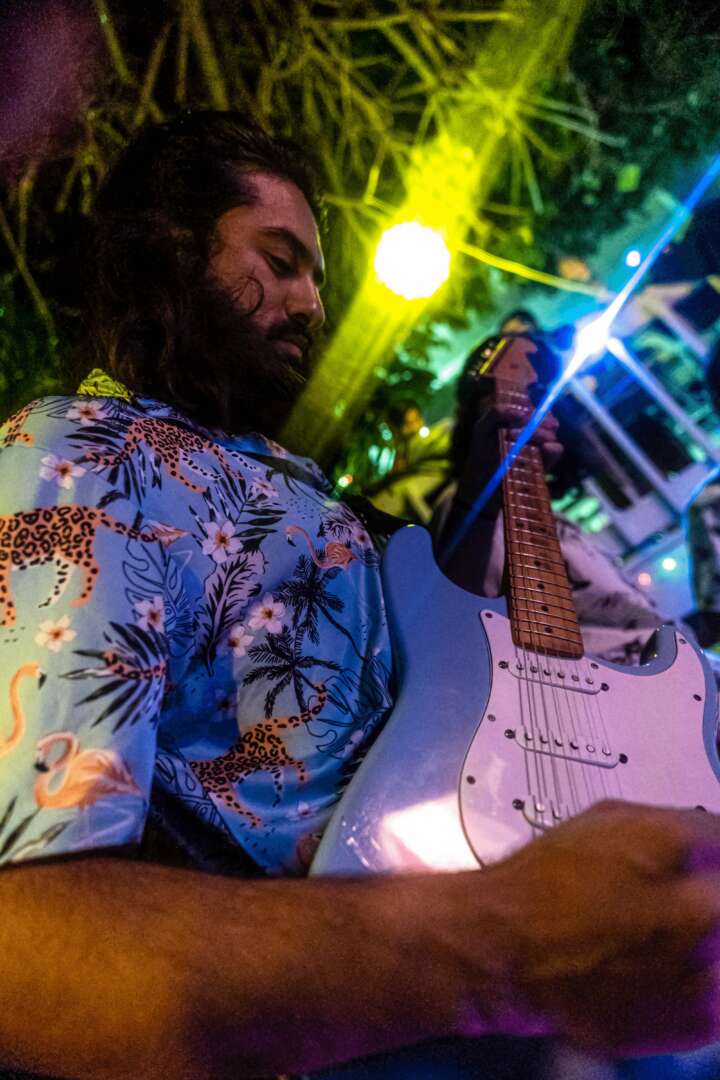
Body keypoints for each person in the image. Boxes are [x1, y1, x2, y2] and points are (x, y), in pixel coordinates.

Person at [2, 111, 720, 1080]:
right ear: (168, 250)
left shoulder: (290, 483)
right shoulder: (85, 450)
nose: (311, 303)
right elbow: (33, 937)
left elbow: (442, 656)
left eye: (318, 279)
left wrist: (490, 458)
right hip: (393, 1018)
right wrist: (508, 946)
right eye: (280, 261)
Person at [432, 336, 675, 666]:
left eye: (538, 396)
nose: (527, 408)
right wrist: (479, 497)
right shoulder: (467, 506)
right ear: (478, 413)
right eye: (510, 396)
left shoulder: (555, 519)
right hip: (605, 689)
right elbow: (458, 618)